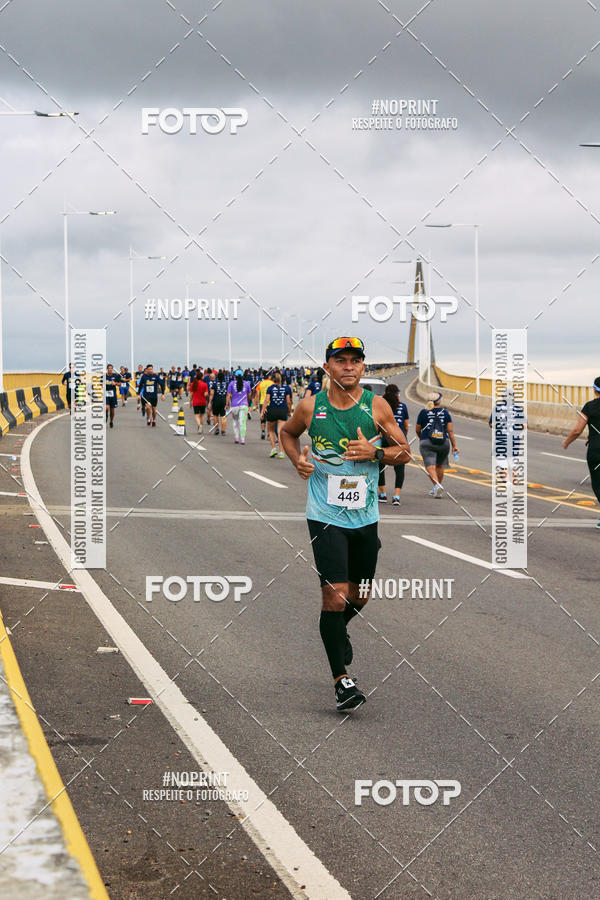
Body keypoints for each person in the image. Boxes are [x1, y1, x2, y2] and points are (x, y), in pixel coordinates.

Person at [280, 337, 411, 712]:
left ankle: (337, 631)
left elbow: (405, 453)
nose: (349, 366)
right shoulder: (310, 407)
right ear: (328, 367)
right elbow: (288, 434)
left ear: (363, 367)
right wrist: (296, 462)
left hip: (365, 519)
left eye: (355, 361)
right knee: (334, 595)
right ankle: (342, 680)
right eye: (341, 360)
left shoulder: (377, 407)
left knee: (360, 595)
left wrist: (377, 452)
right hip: (325, 516)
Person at [563, 376, 600, 527]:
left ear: (594, 389)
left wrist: (566, 442)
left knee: (598, 484)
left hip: (596, 451)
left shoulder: (589, 407)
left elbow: (578, 430)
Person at [415, 392, 458, 498]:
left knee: (430, 466)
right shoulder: (445, 413)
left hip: (427, 442)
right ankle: (437, 488)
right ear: (439, 401)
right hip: (443, 443)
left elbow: (417, 429)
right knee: (440, 465)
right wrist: (454, 446)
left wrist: (421, 438)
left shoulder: (423, 412)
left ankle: (437, 486)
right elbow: (450, 431)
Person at [378, 384, 409, 505]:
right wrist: (403, 436)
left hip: (384, 438)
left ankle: (383, 494)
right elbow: (406, 425)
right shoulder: (403, 407)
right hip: (399, 439)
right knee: (400, 468)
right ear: (397, 394)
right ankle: (396, 496)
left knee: (380, 466)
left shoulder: (381, 406)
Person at [262, 372, 292, 457]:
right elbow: (288, 401)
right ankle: (281, 452)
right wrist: (289, 411)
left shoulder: (270, 388)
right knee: (280, 432)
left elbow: (267, 400)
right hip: (283, 410)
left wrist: (262, 411)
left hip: (272, 410)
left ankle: (273, 449)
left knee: (271, 430)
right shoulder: (286, 388)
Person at [226, 369, 252, 444]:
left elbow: (228, 395)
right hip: (244, 405)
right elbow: (249, 395)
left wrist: (227, 404)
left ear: (235, 376)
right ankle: (243, 439)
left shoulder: (231, 384)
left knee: (235, 422)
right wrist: (249, 403)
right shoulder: (246, 384)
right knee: (242, 423)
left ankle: (236, 438)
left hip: (234, 406)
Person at [256, 371, 275, 439]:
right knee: (270, 420)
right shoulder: (272, 383)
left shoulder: (260, 383)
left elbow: (258, 394)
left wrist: (256, 404)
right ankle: (269, 434)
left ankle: (263, 431)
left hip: (262, 402)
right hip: (270, 403)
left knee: (263, 419)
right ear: (269, 376)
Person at [210, 370, 228, 435]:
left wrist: (209, 402)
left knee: (215, 415)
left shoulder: (214, 383)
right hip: (224, 400)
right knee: (223, 416)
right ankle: (223, 431)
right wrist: (228, 402)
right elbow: (228, 394)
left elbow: (212, 394)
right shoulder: (226, 383)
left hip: (216, 400)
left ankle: (217, 428)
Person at [105, 364, 121, 428]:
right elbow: (100, 383)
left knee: (112, 410)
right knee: (106, 407)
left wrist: (115, 383)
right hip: (106, 395)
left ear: (112, 369)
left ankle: (111, 421)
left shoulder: (115, 376)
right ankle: (106, 415)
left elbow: (120, 384)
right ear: (107, 369)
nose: (110, 369)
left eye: (111, 368)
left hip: (113, 395)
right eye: (109, 368)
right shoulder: (104, 376)